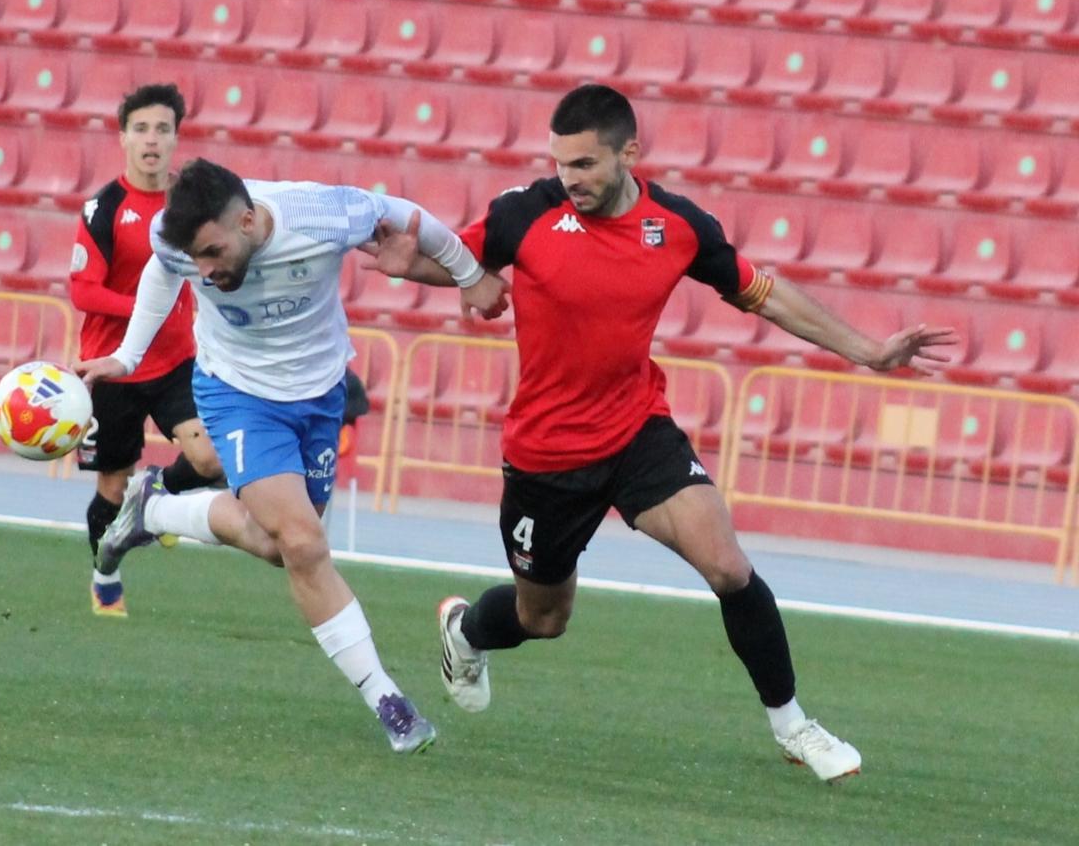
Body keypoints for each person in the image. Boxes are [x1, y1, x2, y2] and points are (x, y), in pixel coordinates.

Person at [365, 83, 956, 781]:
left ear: (630, 153)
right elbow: (462, 261)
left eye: (585, 164)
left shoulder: (676, 226)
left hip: (636, 432)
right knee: (543, 618)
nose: (569, 178)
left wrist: (869, 351)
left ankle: (794, 725)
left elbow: (765, 294)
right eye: (561, 163)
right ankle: (465, 631)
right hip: (547, 455)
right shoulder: (526, 213)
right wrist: (415, 267)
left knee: (728, 567)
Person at [75, 158, 508, 754]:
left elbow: (409, 216)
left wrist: (469, 274)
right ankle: (388, 700)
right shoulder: (177, 239)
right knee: (305, 544)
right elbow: (163, 268)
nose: (205, 270)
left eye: (213, 253)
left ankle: (154, 510)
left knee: (280, 546)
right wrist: (127, 356)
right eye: (197, 258)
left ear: (248, 221)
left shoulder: (323, 214)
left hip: (319, 395)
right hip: (236, 395)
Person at [69, 83, 223, 618]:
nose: (152, 140)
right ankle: (105, 575)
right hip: (111, 369)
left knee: (209, 459)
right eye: (141, 129)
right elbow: (83, 291)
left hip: (177, 362)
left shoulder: (190, 205)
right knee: (111, 486)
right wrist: (145, 306)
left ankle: (155, 494)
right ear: (123, 138)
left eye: (162, 129)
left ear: (176, 138)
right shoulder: (104, 207)